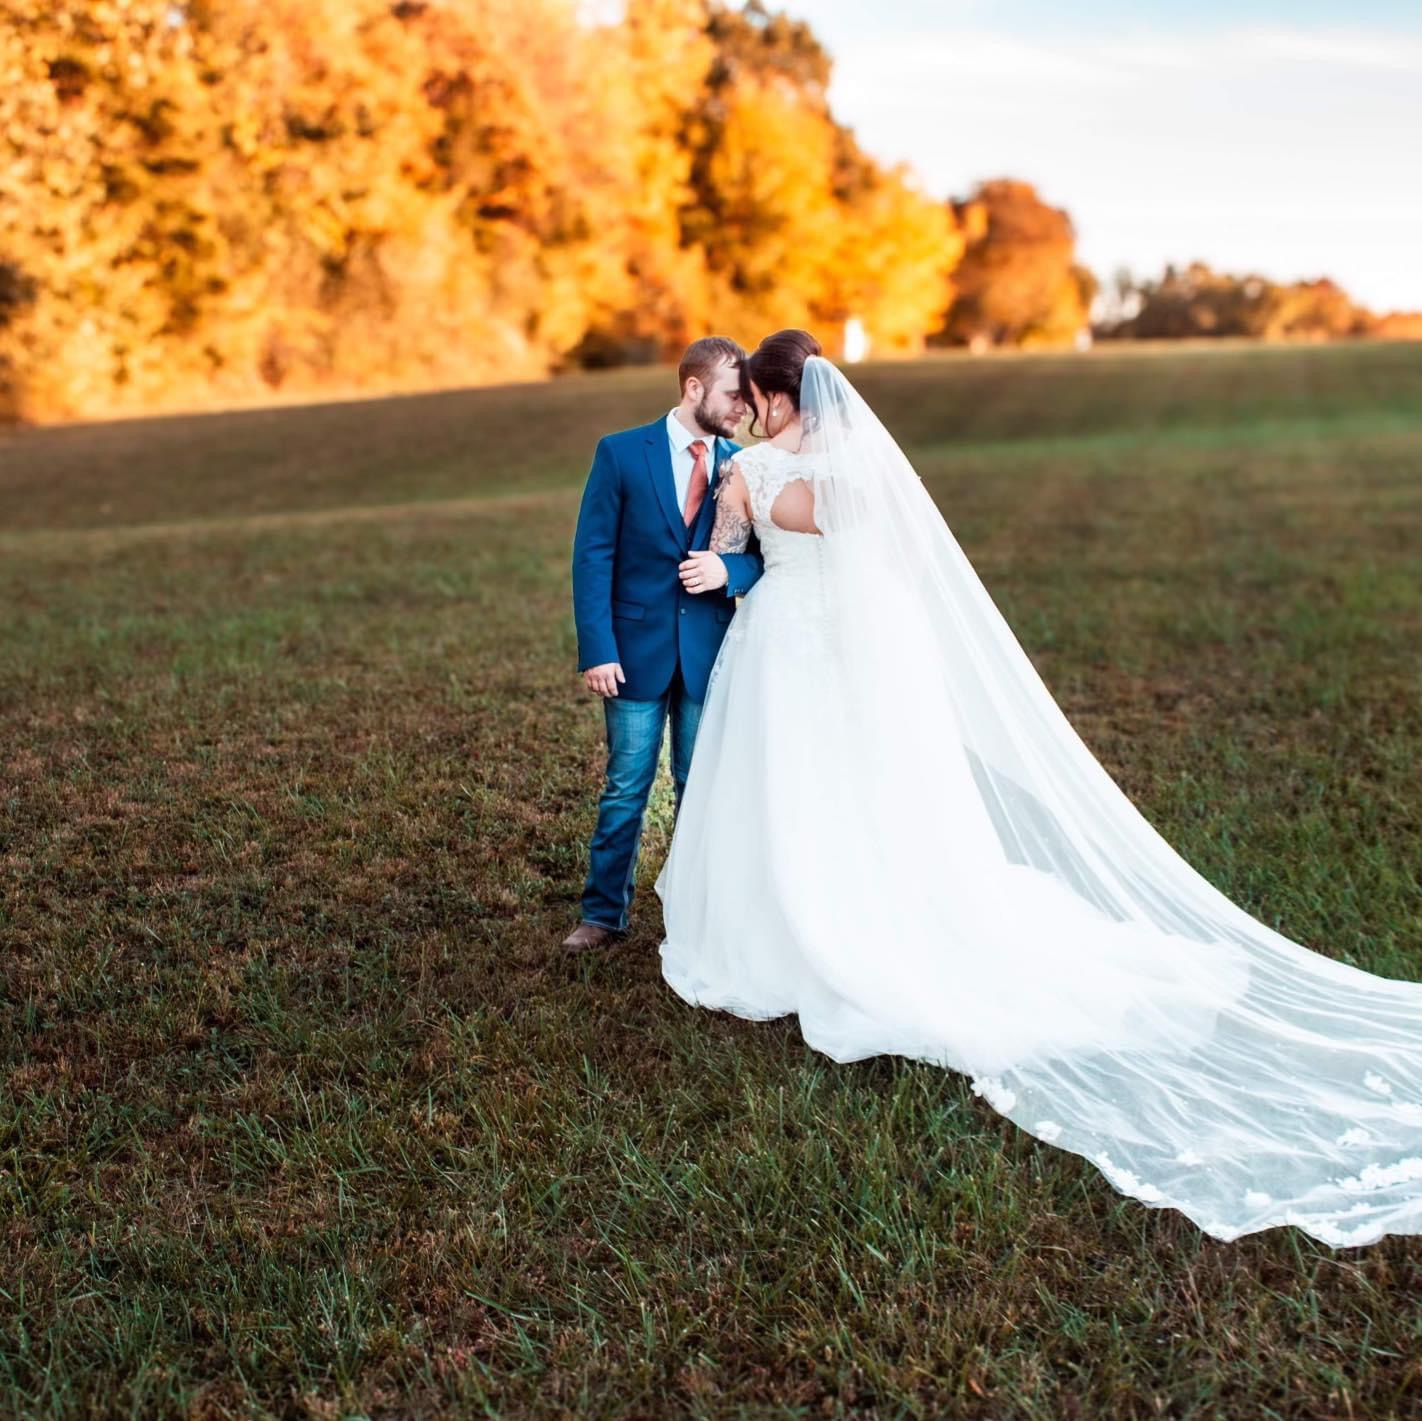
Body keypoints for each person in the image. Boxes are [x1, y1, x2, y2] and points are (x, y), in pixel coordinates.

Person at [656, 328, 1422, 1248]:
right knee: (870, 787)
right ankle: (888, 898)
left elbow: (730, 565)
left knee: (790, 789)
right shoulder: (863, 475)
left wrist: (726, 559)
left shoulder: (746, 474)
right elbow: (889, 565)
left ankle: (799, 918)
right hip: (864, 650)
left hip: (783, 646)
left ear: (775, 397)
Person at [563, 337, 765, 954]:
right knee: (627, 784)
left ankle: (699, 915)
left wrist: (728, 574)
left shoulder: (743, 465)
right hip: (631, 651)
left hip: (708, 652)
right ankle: (602, 915)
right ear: (694, 388)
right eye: (735, 395)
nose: (743, 409)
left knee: (699, 786)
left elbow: (766, 558)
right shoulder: (622, 454)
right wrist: (598, 649)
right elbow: (592, 555)